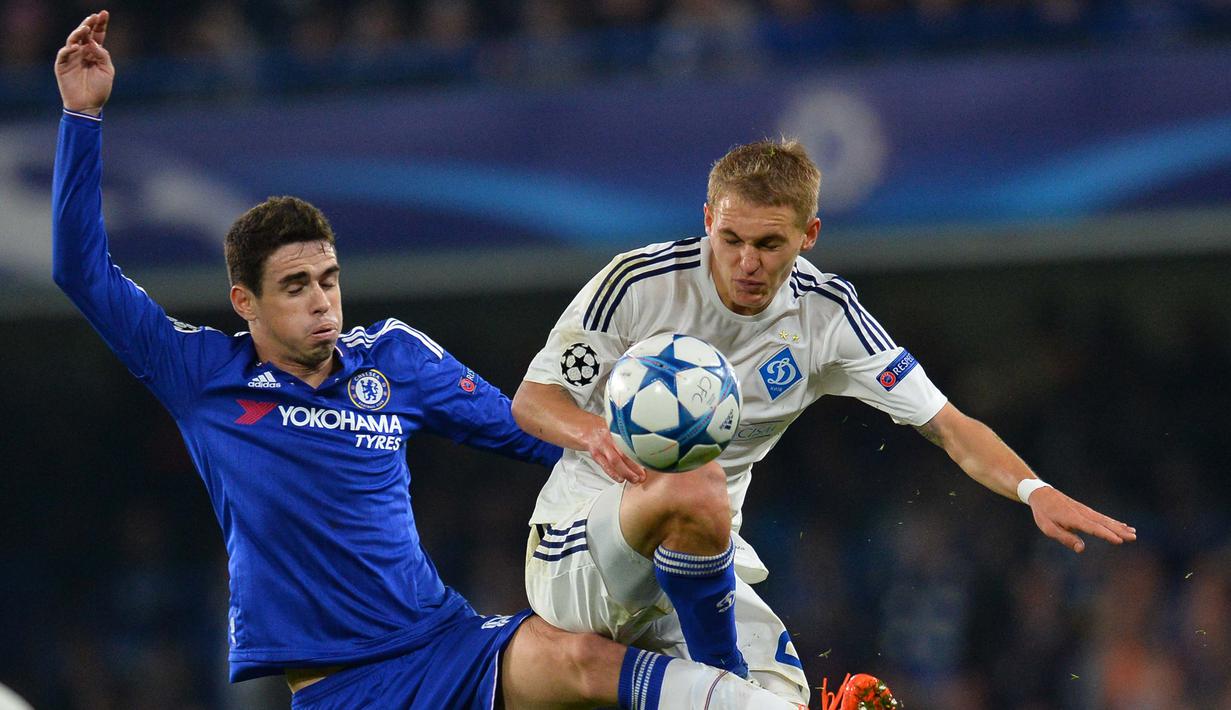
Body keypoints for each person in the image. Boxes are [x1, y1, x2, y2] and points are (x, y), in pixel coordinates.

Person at [51, 11, 814, 709]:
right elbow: (83, 275)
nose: (322, 301)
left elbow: (528, 430)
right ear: (244, 301)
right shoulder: (201, 374)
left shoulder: (392, 358)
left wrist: (648, 461)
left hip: (444, 641)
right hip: (340, 687)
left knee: (579, 658)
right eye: (293, 287)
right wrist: (80, 117)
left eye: (328, 279)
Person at [512, 138, 1138, 705]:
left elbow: (948, 424)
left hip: (694, 560)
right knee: (696, 485)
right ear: (707, 221)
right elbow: (533, 400)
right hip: (583, 545)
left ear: (808, 234)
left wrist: (1035, 489)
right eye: (730, 239)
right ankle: (723, 676)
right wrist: (594, 431)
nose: (746, 262)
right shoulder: (637, 283)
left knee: (788, 700)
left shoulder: (827, 318)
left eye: (768, 244)